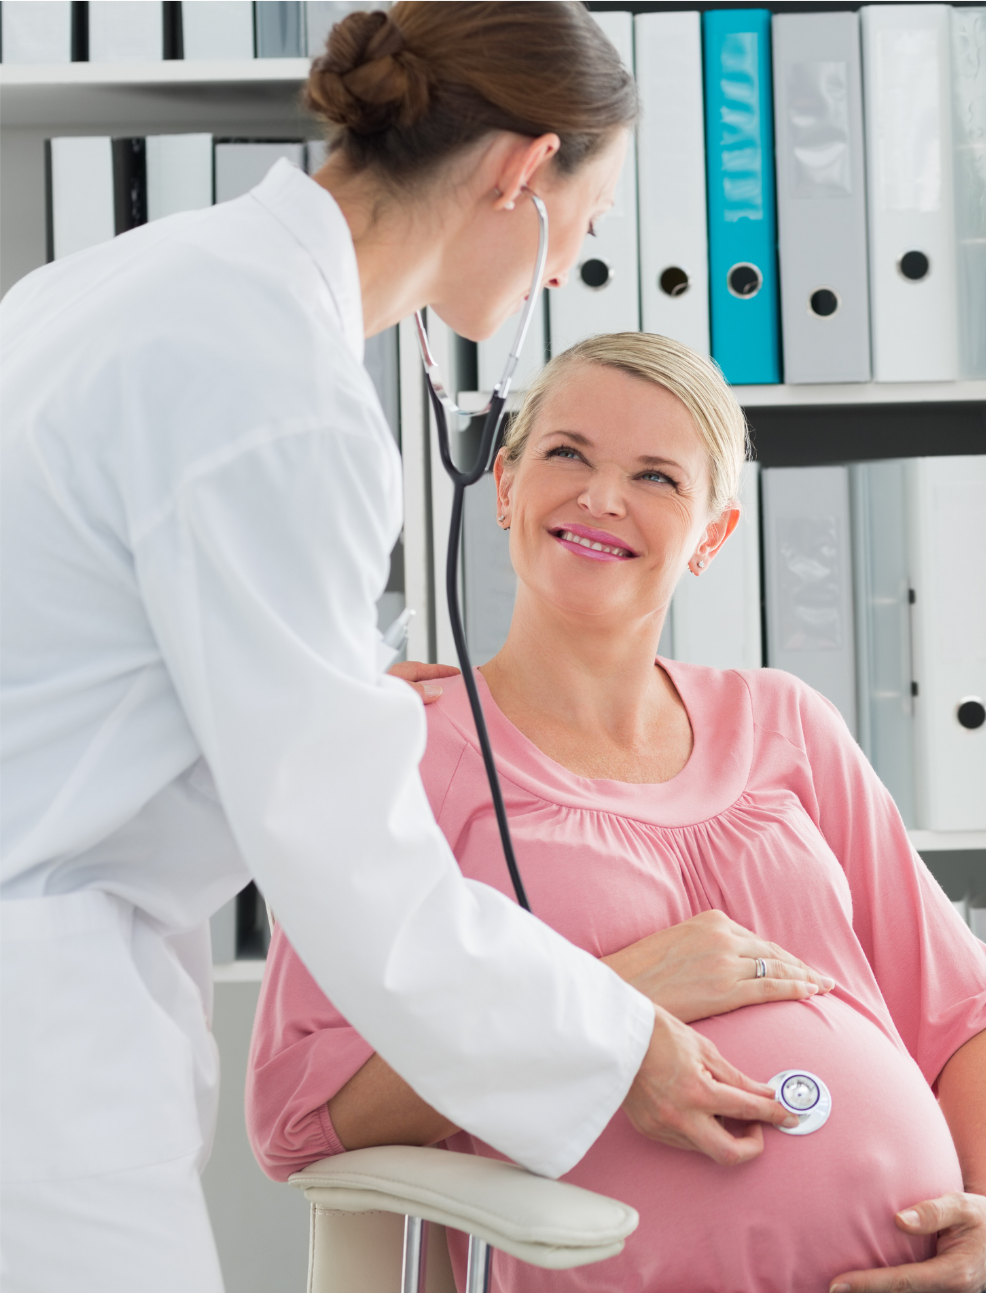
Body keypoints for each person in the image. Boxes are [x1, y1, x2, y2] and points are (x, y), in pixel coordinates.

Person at [0, 8, 792, 1288]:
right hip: (33, 1020)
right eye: (584, 227)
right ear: (523, 175)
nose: (561, 269)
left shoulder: (135, 284)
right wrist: (618, 1041)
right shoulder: (277, 392)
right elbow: (350, 864)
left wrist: (323, 687)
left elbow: (72, 647)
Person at [248, 333, 986, 1293]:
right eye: (567, 454)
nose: (600, 497)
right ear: (503, 484)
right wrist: (614, 998)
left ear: (712, 535)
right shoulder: (404, 753)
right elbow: (298, 1115)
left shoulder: (785, 722)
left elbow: (972, 1015)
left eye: (656, 477)